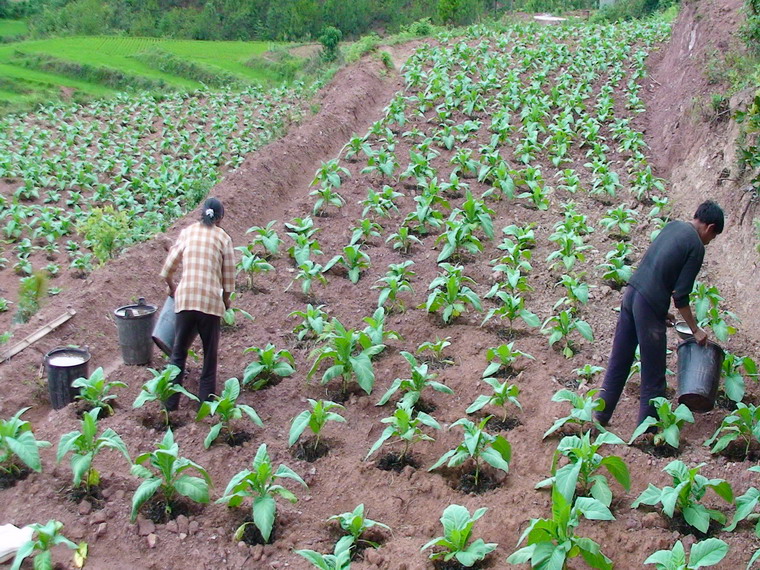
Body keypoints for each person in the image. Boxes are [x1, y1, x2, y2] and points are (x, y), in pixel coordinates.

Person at [595, 200, 724, 428]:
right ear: (710, 228)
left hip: (632, 294)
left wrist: (658, 310)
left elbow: (657, 269)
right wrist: (695, 330)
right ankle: (648, 429)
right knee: (654, 372)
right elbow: (681, 296)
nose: (709, 241)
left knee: (620, 360)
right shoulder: (696, 246)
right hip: (647, 303)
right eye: (712, 237)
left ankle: (600, 414)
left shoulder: (674, 227)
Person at [160, 197, 235, 410]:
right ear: (220, 218)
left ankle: (170, 404)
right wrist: (225, 300)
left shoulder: (188, 232)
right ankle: (205, 405)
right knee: (209, 355)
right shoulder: (223, 239)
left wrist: (172, 287)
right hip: (210, 303)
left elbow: (167, 269)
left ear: (201, 213)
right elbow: (228, 280)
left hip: (185, 299)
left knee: (178, 352)